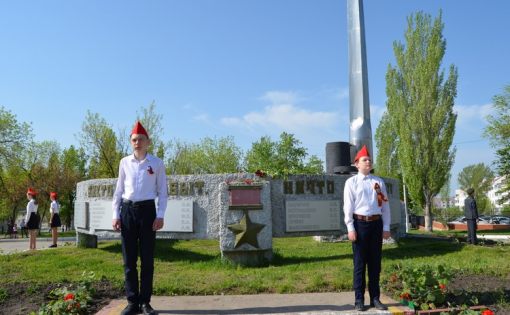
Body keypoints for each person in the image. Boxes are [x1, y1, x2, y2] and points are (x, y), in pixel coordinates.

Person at [112, 121, 168, 315]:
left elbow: (163, 192)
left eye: (141, 139)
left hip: (147, 212)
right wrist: (115, 214)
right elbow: (119, 190)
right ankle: (132, 302)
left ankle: (145, 302)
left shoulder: (157, 163)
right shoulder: (124, 162)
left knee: (147, 259)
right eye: (134, 140)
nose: (137, 143)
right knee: (129, 260)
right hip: (127, 211)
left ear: (148, 142)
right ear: (131, 142)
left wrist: (160, 215)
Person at [343, 145, 391, 312]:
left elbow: (385, 206)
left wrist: (386, 226)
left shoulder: (378, 181)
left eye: (369, 160)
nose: (368, 162)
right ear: (356, 164)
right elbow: (348, 207)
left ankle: (375, 298)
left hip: (376, 225)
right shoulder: (351, 182)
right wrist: (350, 227)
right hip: (360, 224)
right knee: (359, 263)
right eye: (365, 160)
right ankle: (358, 299)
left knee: (375, 263)